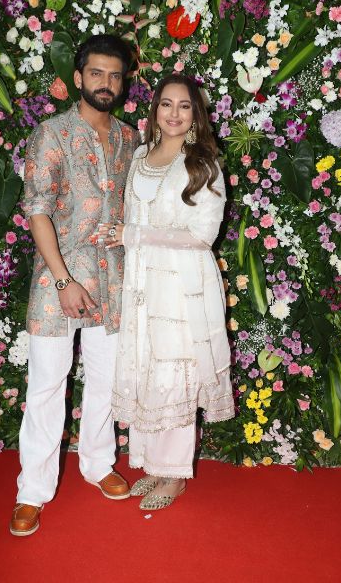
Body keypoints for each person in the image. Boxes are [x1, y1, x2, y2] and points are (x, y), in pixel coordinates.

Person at [10, 34, 138, 537]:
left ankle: (98, 464)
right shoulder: (51, 134)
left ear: (123, 83)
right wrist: (63, 279)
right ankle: (31, 492)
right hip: (57, 281)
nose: (106, 83)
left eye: (115, 75)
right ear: (79, 77)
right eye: (97, 73)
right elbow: (36, 209)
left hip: (114, 278)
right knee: (46, 385)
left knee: (107, 379)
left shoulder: (130, 139)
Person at [98, 73, 235, 510]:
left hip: (181, 287)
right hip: (142, 284)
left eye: (184, 105)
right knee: (148, 371)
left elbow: (203, 235)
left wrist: (135, 235)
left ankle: (175, 476)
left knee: (175, 375)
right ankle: (154, 465)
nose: (174, 113)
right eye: (166, 104)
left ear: (196, 114)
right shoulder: (141, 156)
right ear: (155, 109)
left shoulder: (203, 164)